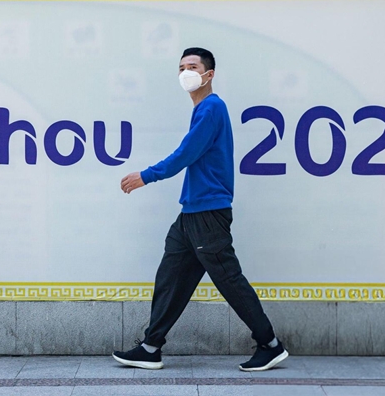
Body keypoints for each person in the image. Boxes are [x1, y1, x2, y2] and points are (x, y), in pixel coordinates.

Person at [112, 47, 288, 372]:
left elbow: (186, 152)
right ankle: (151, 347)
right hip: (192, 212)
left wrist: (146, 176)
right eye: (181, 67)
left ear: (209, 74)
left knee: (229, 280)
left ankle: (270, 344)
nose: (185, 73)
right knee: (170, 277)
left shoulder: (212, 107)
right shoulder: (202, 109)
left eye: (192, 67)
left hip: (208, 212)